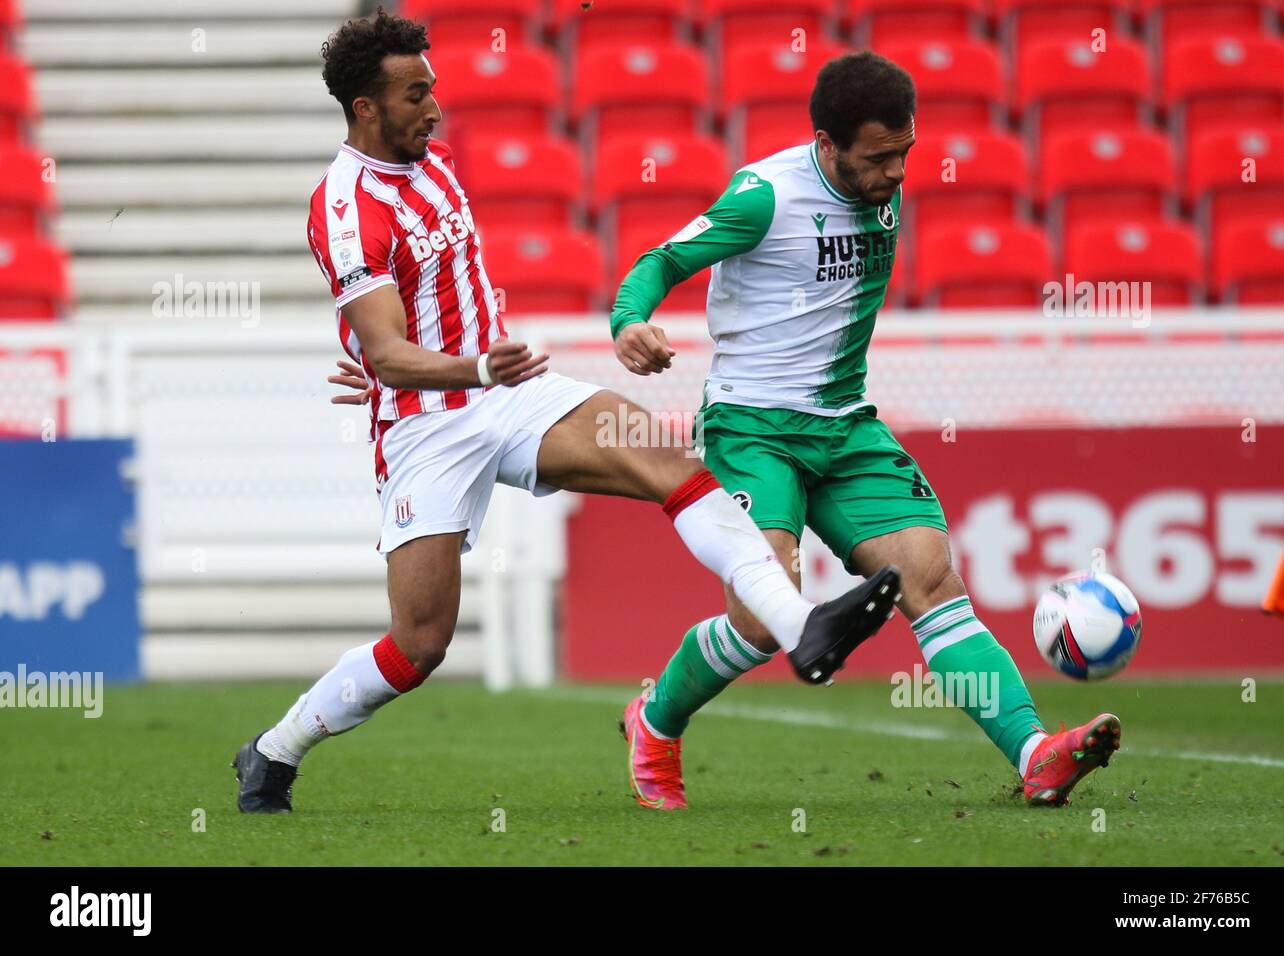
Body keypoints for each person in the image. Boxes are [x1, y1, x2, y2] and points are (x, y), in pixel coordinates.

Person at [232, 10, 898, 814]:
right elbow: (386, 350)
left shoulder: (434, 163)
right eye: (415, 95)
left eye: (433, 88)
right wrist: (443, 367)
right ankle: (273, 751)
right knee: (419, 645)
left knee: (668, 461)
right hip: (429, 427)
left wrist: (464, 364)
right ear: (365, 108)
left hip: (509, 396)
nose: (435, 108)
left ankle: (802, 628)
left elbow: (415, 320)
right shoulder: (343, 206)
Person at [607, 51, 1120, 809]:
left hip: (845, 428)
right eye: (878, 159)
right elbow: (664, 258)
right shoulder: (762, 197)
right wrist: (630, 322)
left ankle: (1034, 752)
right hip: (754, 430)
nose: (896, 174)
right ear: (827, 144)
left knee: (932, 576)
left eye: (905, 154)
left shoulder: (879, 183)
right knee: (759, 617)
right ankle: (655, 719)